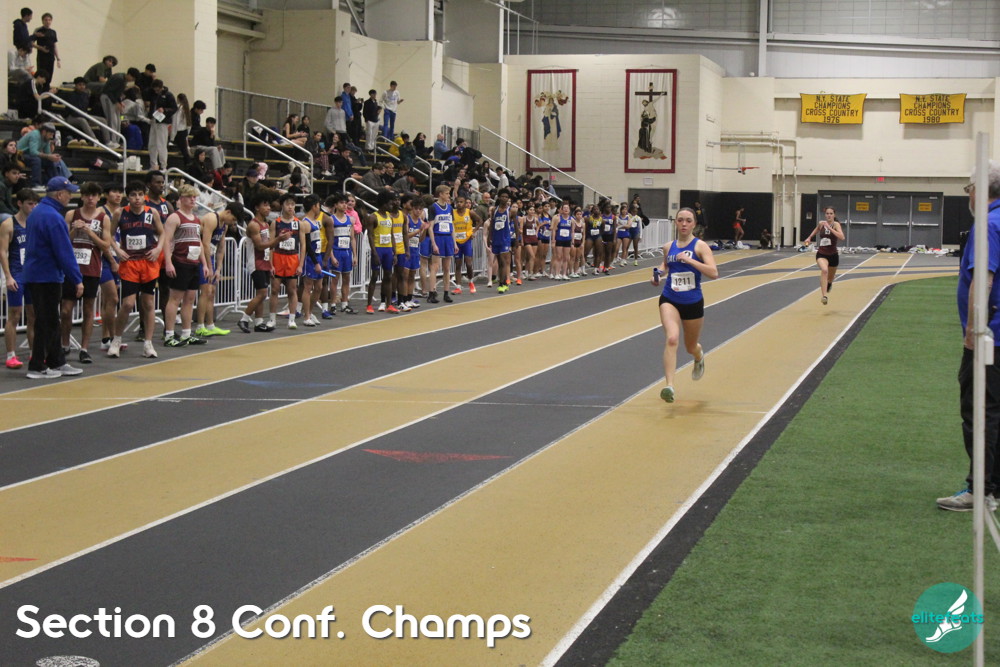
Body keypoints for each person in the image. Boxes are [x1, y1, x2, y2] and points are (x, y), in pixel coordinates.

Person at [937, 163, 1000, 512]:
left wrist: (972, 334)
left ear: (980, 190)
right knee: (994, 411)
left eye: (969, 189)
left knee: (979, 411)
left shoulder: (987, 224)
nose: (968, 196)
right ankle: (994, 487)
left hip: (990, 337)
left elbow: (983, 281)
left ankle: (980, 489)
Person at [651, 207, 718, 403]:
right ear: (676, 222)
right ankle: (669, 386)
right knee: (672, 338)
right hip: (669, 298)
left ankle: (698, 356)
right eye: (680, 220)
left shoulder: (701, 247)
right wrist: (658, 274)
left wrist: (690, 261)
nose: (684, 224)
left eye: (688, 220)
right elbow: (666, 265)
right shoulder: (668, 246)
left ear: (694, 224)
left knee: (690, 346)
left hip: (692, 302)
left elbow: (713, 273)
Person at [21, 176, 83, 379]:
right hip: (46, 276)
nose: (70, 196)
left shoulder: (37, 212)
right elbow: (64, 251)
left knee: (48, 320)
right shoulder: (54, 218)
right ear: (59, 194)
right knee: (47, 321)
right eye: (68, 193)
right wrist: (77, 278)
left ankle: (56, 361)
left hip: (36, 274)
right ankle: (38, 365)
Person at [107, 180, 166, 359]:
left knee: (148, 304)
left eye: (140, 194)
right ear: (128, 197)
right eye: (133, 195)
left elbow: (163, 232)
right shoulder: (120, 213)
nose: (137, 198)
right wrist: (117, 250)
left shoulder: (152, 212)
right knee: (127, 304)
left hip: (148, 262)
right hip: (130, 263)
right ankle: (116, 340)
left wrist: (158, 249)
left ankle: (148, 344)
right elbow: (109, 234)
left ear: (144, 196)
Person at [60, 181, 110, 364]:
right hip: (72, 269)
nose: (90, 198)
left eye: (94, 195)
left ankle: (84, 348)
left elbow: (106, 245)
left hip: (92, 268)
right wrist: (75, 229)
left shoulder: (104, 218)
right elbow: (63, 242)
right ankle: (65, 344)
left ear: (98, 197)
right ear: (81, 197)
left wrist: (90, 232)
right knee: (66, 310)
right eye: (87, 195)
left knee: (89, 310)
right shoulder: (71, 214)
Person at [161, 184, 212, 347]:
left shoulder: (196, 219)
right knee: (175, 299)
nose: (193, 200)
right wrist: (168, 262)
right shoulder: (174, 218)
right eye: (189, 197)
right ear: (181, 199)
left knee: (190, 299)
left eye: (194, 197)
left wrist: (204, 264)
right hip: (180, 262)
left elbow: (198, 242)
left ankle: (186, 334)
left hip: (194, 263)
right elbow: (166, 241)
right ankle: (169, 335)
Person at [1, 188, 37, 369]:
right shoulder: (9, 224)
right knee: (14, 315)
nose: (33, 207)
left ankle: (34, 354)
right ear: (20, 204)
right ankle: (11, 355)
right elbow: (2, 252)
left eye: (35, 204)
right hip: (16, 275)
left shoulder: (35, 223)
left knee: (33, 315)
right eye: (30, 204)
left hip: (32, 276)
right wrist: (8, 277)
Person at [194, 202, 242, 338]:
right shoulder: (211, 219)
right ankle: (200, 326)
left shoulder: (224, 226)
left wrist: (218, 269)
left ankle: (210, 325)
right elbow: (205, 244)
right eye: (233, 219)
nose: (233, 222)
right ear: (228, 212)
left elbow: (221, 248)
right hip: (199, 256)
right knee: (205, 291)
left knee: (212, 291)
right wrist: (209, 267)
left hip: (210, 257)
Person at [801, 206, 844, 305]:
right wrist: (809, 238)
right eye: (827, 213)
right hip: (822, 253)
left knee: (831, 277)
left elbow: (842, 237)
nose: (829, 215)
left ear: (834, 215)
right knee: (824, 270)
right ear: (825, 215)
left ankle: (829, 283)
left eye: (831, 214)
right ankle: (824, 296)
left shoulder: (836, 224)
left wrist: (830, 228)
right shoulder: (821, 224)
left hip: (833, 255)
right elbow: (816, 230)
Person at [147, 79, 177, 171]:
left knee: (161, 144)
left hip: (163, 122)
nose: (156, 91)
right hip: (154, 120)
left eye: (157, 90)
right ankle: (153, 165)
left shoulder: (168, 95)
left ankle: (163, 166)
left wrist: (164, 110)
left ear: (161, 87)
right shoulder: (153, 95)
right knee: (152, 144)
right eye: (155, 90)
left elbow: (174, 108)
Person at [32, 12, 57, 77]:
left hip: (51, 57)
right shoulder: (38, 30)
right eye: (46, 20)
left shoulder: (53, 32)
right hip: (42, 57)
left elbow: (54, 45)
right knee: (41, 76)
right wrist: (41, 48)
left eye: (49, 20)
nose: (47, 21)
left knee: (49, 76)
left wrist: (58, 58)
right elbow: (31, 43)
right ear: (42, 21)